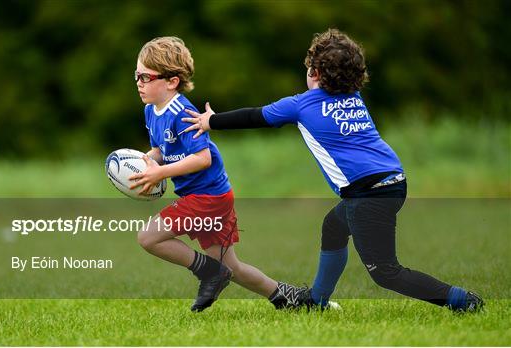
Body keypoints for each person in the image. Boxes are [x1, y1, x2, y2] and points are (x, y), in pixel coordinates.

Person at [182, 29, 484, 312]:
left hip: (369, 194)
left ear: (314, 72)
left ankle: (461, 299)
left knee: (386, 273)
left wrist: (212, 121)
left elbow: (254, 116)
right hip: (393, 181)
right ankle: (317, 299)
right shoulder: (355, 98)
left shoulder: (301, 104)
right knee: (334, 226)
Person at [129, 36, 305, 312]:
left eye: (144, 77)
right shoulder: (151, 111)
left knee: (148, 237)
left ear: (171, 81)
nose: (138, 82)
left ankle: (209, 273)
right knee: (230, 266)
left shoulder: (182, 111)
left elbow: (202, 158)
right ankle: (289, 297)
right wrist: (142, 163)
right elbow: (160, 149)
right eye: (136, 75)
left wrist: (161, 172)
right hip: (212, 195)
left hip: (207, 197)